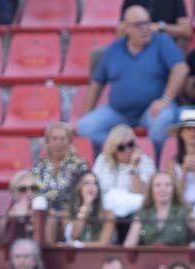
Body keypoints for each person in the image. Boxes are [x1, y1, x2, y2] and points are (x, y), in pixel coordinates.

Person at [76, 4, 187, 156]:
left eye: (147, 22)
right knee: (85, 127)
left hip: (152, 109)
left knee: (161, 123)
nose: (146, 28)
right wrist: (87, 113)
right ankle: (125, 154)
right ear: (127, 28)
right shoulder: (114, 49)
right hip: (118, 112)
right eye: (139, 24)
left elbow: (181, 68)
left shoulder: (162, 42)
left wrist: (166, 99)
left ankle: (154, 166)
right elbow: (97, 82)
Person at [93, 124, 156, 218]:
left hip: (132, 215)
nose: (128, 150)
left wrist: (134, 167)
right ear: (113, 149)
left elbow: (141, 196)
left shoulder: (145, 162)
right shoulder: (102, 160)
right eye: (121, 147)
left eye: (130, 144)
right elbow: (94, 187)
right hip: (104, 212)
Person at [124, 170, 195, 246]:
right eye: (158, 185)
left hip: (179, 257)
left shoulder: (185, 212)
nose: (162, 189)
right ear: (151, 190)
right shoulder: (143, 214)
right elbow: (129, 245)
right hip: (150, 257)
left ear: (174, 189)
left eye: (167, 185)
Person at [32, 122, 88, 214]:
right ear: (47, 142)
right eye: (54, 139)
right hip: (45, 210)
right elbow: (34, 189)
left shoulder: (80, 164)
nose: (59, 143)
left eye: (63, 139)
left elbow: (81, 192)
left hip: (71, 210)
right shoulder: (39, 165)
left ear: (69, 142)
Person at [59, 171, 117, 245]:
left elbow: (103, 244)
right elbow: (74, 235)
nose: (91, 186)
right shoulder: (67, 212)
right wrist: (86, 205)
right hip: (73, 255)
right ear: (79, 188)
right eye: (86, 183)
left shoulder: (108, 215)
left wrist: (79, 244)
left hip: (98, 255)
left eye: (95, 183)